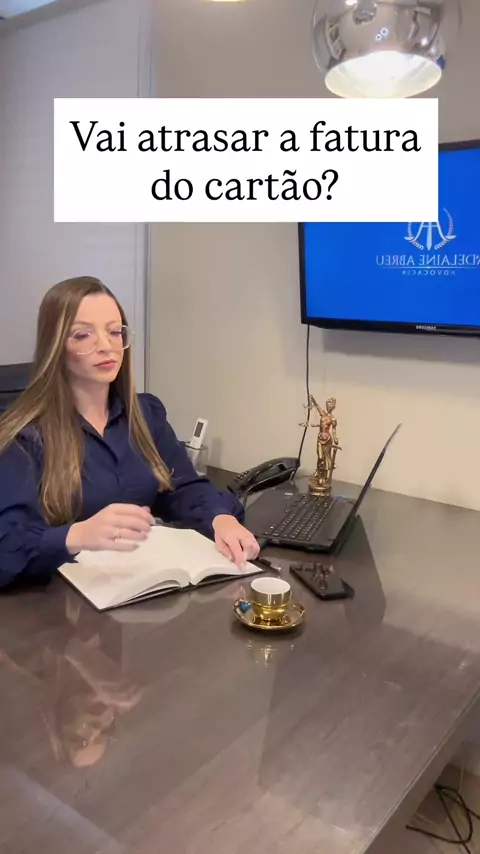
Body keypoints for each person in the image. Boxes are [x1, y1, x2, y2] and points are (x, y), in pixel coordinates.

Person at [0, 276, 260, 590]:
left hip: (143, 590)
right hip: (63, 605)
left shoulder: (145, 415)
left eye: (114, 332)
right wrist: (78, 535)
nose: (106, 346)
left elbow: (183, 488)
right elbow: (7, 545)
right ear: (56, 346)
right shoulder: (24, 437)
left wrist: (221, 519)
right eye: (83, 335)